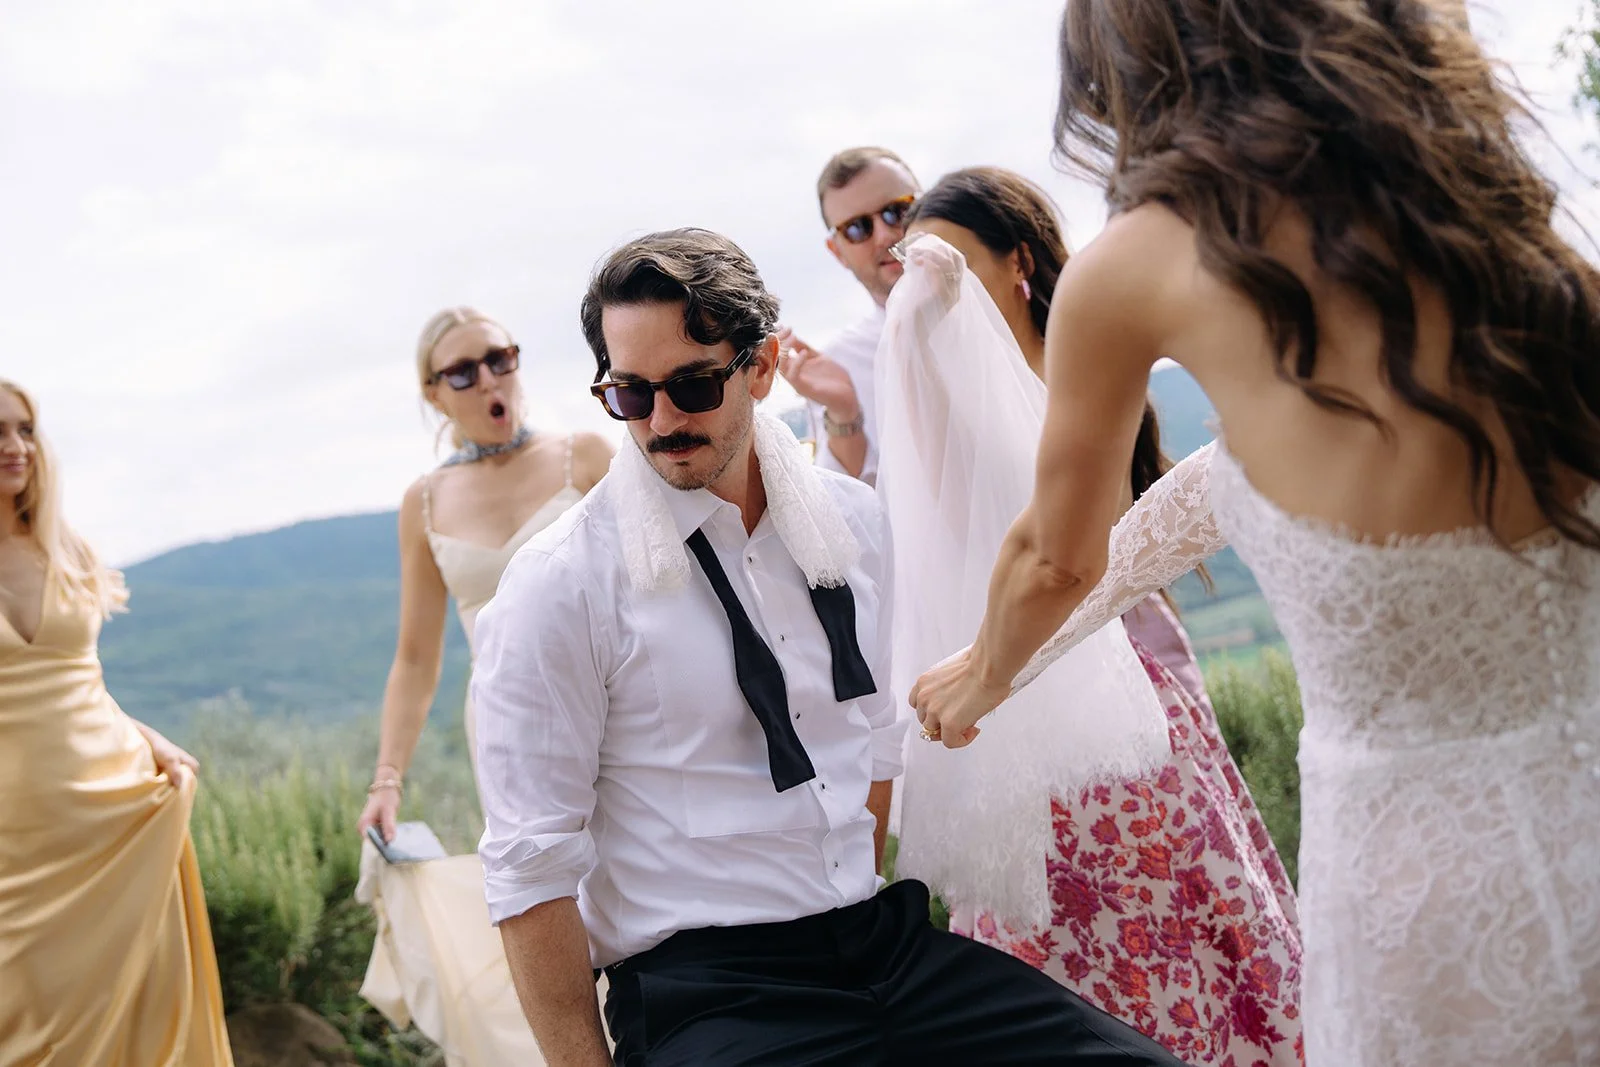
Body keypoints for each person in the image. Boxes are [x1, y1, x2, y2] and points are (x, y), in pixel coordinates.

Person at [910, 3, 1600, 1064]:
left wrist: (985, 674)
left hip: (1423, 898)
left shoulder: (1136, 266)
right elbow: (1216, 487)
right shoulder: (1495, 222)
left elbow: (1054, 553)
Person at [470, 228, 1187, 1066]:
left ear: (762, 367)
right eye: (630, 394)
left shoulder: (853, 523)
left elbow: (876, 743)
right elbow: (531, 866)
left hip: (882, 945)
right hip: (709, 991)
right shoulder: (561, 584)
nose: (662, 421)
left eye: (694, 385)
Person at [878, 168, 1301, 1066]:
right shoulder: (935, 399)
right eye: (915, 271)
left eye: (952, 264)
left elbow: (1089, 540)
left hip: (1116, 686)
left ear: (1018, 263)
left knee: (1173, 916)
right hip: (997, 687)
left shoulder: (1083, 373)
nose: (933, 287)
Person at [353, 308, 612, 1064]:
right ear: (435, 394)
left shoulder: (586, 455)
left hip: (609, 700)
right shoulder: (425, 502)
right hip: (502, 727)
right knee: (547, 901)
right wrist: (387, 777)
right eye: (463, 371)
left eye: (500, 358)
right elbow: (414, 656)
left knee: (625, 885)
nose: (489, 378)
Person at [0, 379, 234, 1066]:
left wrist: (151, 740)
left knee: (140, 1021)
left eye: (24, 430)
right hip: (14, 840)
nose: (14, 447)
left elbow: (82, 684)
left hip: (115, 814)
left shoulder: (64, 549)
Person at [778, 146, 921, 485]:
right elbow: (852, 501)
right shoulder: (839, 363)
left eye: (897, 211)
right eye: (857, 228)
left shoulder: (1013, 298)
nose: (885, 236)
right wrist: (844, 412)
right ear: (837, 250)